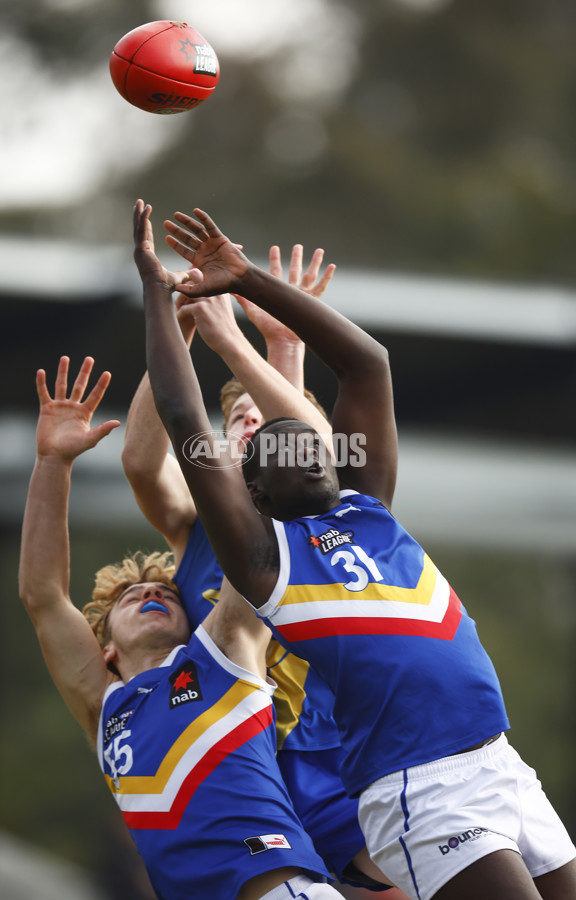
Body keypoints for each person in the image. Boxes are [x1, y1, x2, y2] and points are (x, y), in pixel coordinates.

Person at [135, 199, 576, 900]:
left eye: (312, 436)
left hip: (501, 763)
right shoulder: (264, 562)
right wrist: (159, 298)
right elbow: (185, 414)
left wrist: (245, 277)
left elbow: (368, 363)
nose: (306, 442)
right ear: (256, 492)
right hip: (420, 790)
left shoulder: (367, 504)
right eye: (282, 445)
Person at [122, 243, 404, 895]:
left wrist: (277, 344)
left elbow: (306, 442)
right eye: (237, 419)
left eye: (263, 416)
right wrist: (185, 322)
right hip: (242, 769)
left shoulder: (324, 515)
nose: (254, 424)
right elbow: (141, 459)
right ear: (220, 445)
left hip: (339, 758)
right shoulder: (196, 526)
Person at [18, 354, 347, 900]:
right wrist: (52, 462)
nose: (151, 592)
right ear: (103, 653)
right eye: (132, 597)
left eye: (167, 592)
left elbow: (267, 542)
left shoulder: (221, 656)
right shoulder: (105, 709)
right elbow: (43, 596)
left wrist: (276, 405)